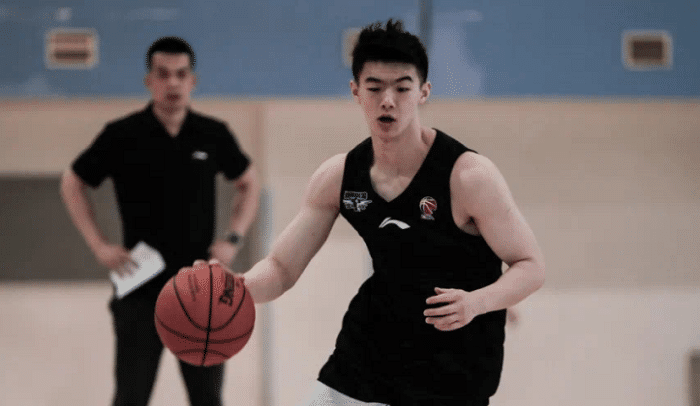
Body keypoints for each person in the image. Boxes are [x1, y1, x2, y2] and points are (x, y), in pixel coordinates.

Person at [200, 18, 543, 405]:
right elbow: (281, 267)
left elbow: (531, 265)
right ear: (356, 91)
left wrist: (477, 302)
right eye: (375, 87)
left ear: (424, 92)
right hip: (364, 359)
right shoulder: (339, 176)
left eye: (402, 88)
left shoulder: (468, 177)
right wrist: (237, 288)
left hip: (454, 371)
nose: (388, 100)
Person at [60, 36, 260, 406]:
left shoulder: (213, 134)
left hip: (201, 290)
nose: (172, 82)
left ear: (192, 81)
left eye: (181, 74)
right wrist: (99, 245)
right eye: (163, 74)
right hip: (140, 289)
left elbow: (249, 183)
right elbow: (73, 182)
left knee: (208, 399)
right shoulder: (122, 134)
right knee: (130, 398)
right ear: (149, 81)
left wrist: (233, 238)